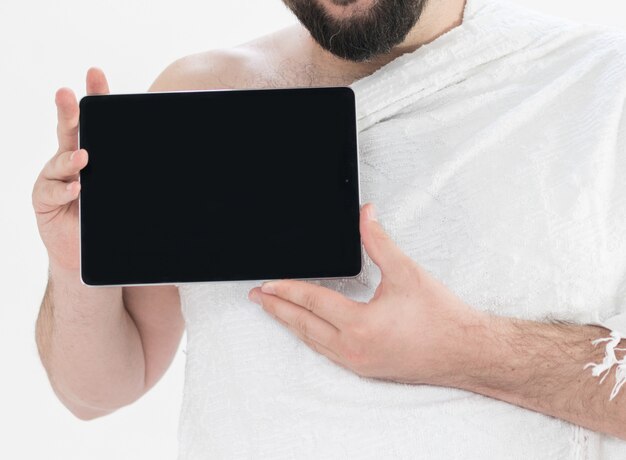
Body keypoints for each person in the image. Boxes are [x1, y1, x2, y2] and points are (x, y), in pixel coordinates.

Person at [32, 0, 626, 458]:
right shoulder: (199, 95)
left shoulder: (599, 83)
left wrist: (463, 350)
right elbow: (98, 391)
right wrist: (73, 261)